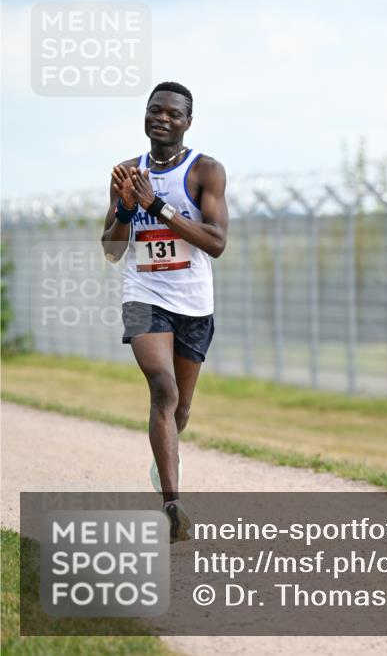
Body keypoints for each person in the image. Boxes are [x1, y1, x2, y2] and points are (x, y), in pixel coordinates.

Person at [100, 81, 228, 542]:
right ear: (146, 116)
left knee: (182, 408)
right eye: (155, 111)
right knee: (163, 388)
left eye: (173, 113)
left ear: (187, 122)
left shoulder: (205, 171)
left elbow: (216, 243)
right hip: (143, 293)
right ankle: (173, 503)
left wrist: (159, 206)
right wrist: (127, 211)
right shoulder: (126, 173)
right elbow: (112, 251)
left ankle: (164, 455)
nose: (162, 118)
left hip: (193, 301)